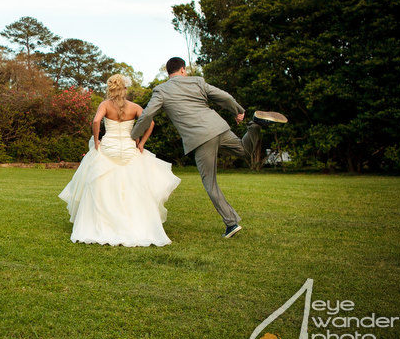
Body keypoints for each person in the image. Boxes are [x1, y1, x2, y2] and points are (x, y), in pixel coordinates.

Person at [130, 57, 287, 239]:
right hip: (218, 127)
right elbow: (225, 96)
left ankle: (231, 223)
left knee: (210, 183)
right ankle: (255, 125)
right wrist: (238, 110)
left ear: (169, 72)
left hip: (200, 139)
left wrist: (133, 136)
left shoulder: (161, 90)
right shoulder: (198, 81)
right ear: (183, 69)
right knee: (245, 151)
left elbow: (147, 114)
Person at [59, 74, 180, 246]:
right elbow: (150, 123)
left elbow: (96, 121)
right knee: (133, 186)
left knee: (101, 185)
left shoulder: (105, 105)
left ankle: (101, 224)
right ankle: (134, 224)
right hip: (130, 150)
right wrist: (141, 143)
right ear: (125, 89)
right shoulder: (134, 107)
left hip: (108, 148)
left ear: (110, 89)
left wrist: (96, 141)